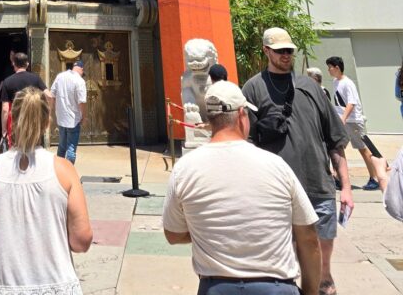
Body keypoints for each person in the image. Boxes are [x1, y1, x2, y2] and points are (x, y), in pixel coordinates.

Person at [162, 80, 321, 295]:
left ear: (210, 119)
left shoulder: (184, 169)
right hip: (276, 287)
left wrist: (208, 231)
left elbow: (173, 234)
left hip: (217, 288)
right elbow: (308, 238)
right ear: (241, 115)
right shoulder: (276, 165)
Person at [242, 28, 353, 295]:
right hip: (276, 188)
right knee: (284, 254)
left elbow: (335, 140)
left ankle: (324, 281)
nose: (285, 55)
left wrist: (347, 187)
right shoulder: (253, 88)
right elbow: (246, 143)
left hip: (317, 182)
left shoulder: (311, 87)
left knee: (322, 247)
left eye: (289, 50)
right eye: (279, 50)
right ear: (266, 51)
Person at [0, 86, 92, 295]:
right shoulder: (64, 170)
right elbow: (81, 241)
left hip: (5, 287)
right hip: (57, 285)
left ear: (12, 119)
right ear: (47, 122)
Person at [325, 56, 379, 190]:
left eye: (330, 67)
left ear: (337, 68)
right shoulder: (335, 81)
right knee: (338, 148)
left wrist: (343, 118)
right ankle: (338, 178)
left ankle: (375, 178)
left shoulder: (347, 83)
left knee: (363, 149)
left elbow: (351, 103)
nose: (328, 70)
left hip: (353, 121)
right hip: (343, 121)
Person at [0, 52, 49, 148]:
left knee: (17, 149)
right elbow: (48, 96)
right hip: (34, 120)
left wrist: (4, 130)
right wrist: (46, 117)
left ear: (14, 63)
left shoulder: (7, 82)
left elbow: (5, 109)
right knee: (34, 148)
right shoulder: (36, 79)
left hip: (16, 123)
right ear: (27, 64)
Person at [49, 60, 87, 164]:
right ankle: (69, 172)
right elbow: (82, 102)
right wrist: (84, 117)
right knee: (71, 149)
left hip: (61, 118)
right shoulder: (79, 81)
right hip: (73, 120)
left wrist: (50, 112)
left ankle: (59, 170)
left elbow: (51, 95)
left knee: (61, 146)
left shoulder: (60, 76)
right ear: (81, 69)